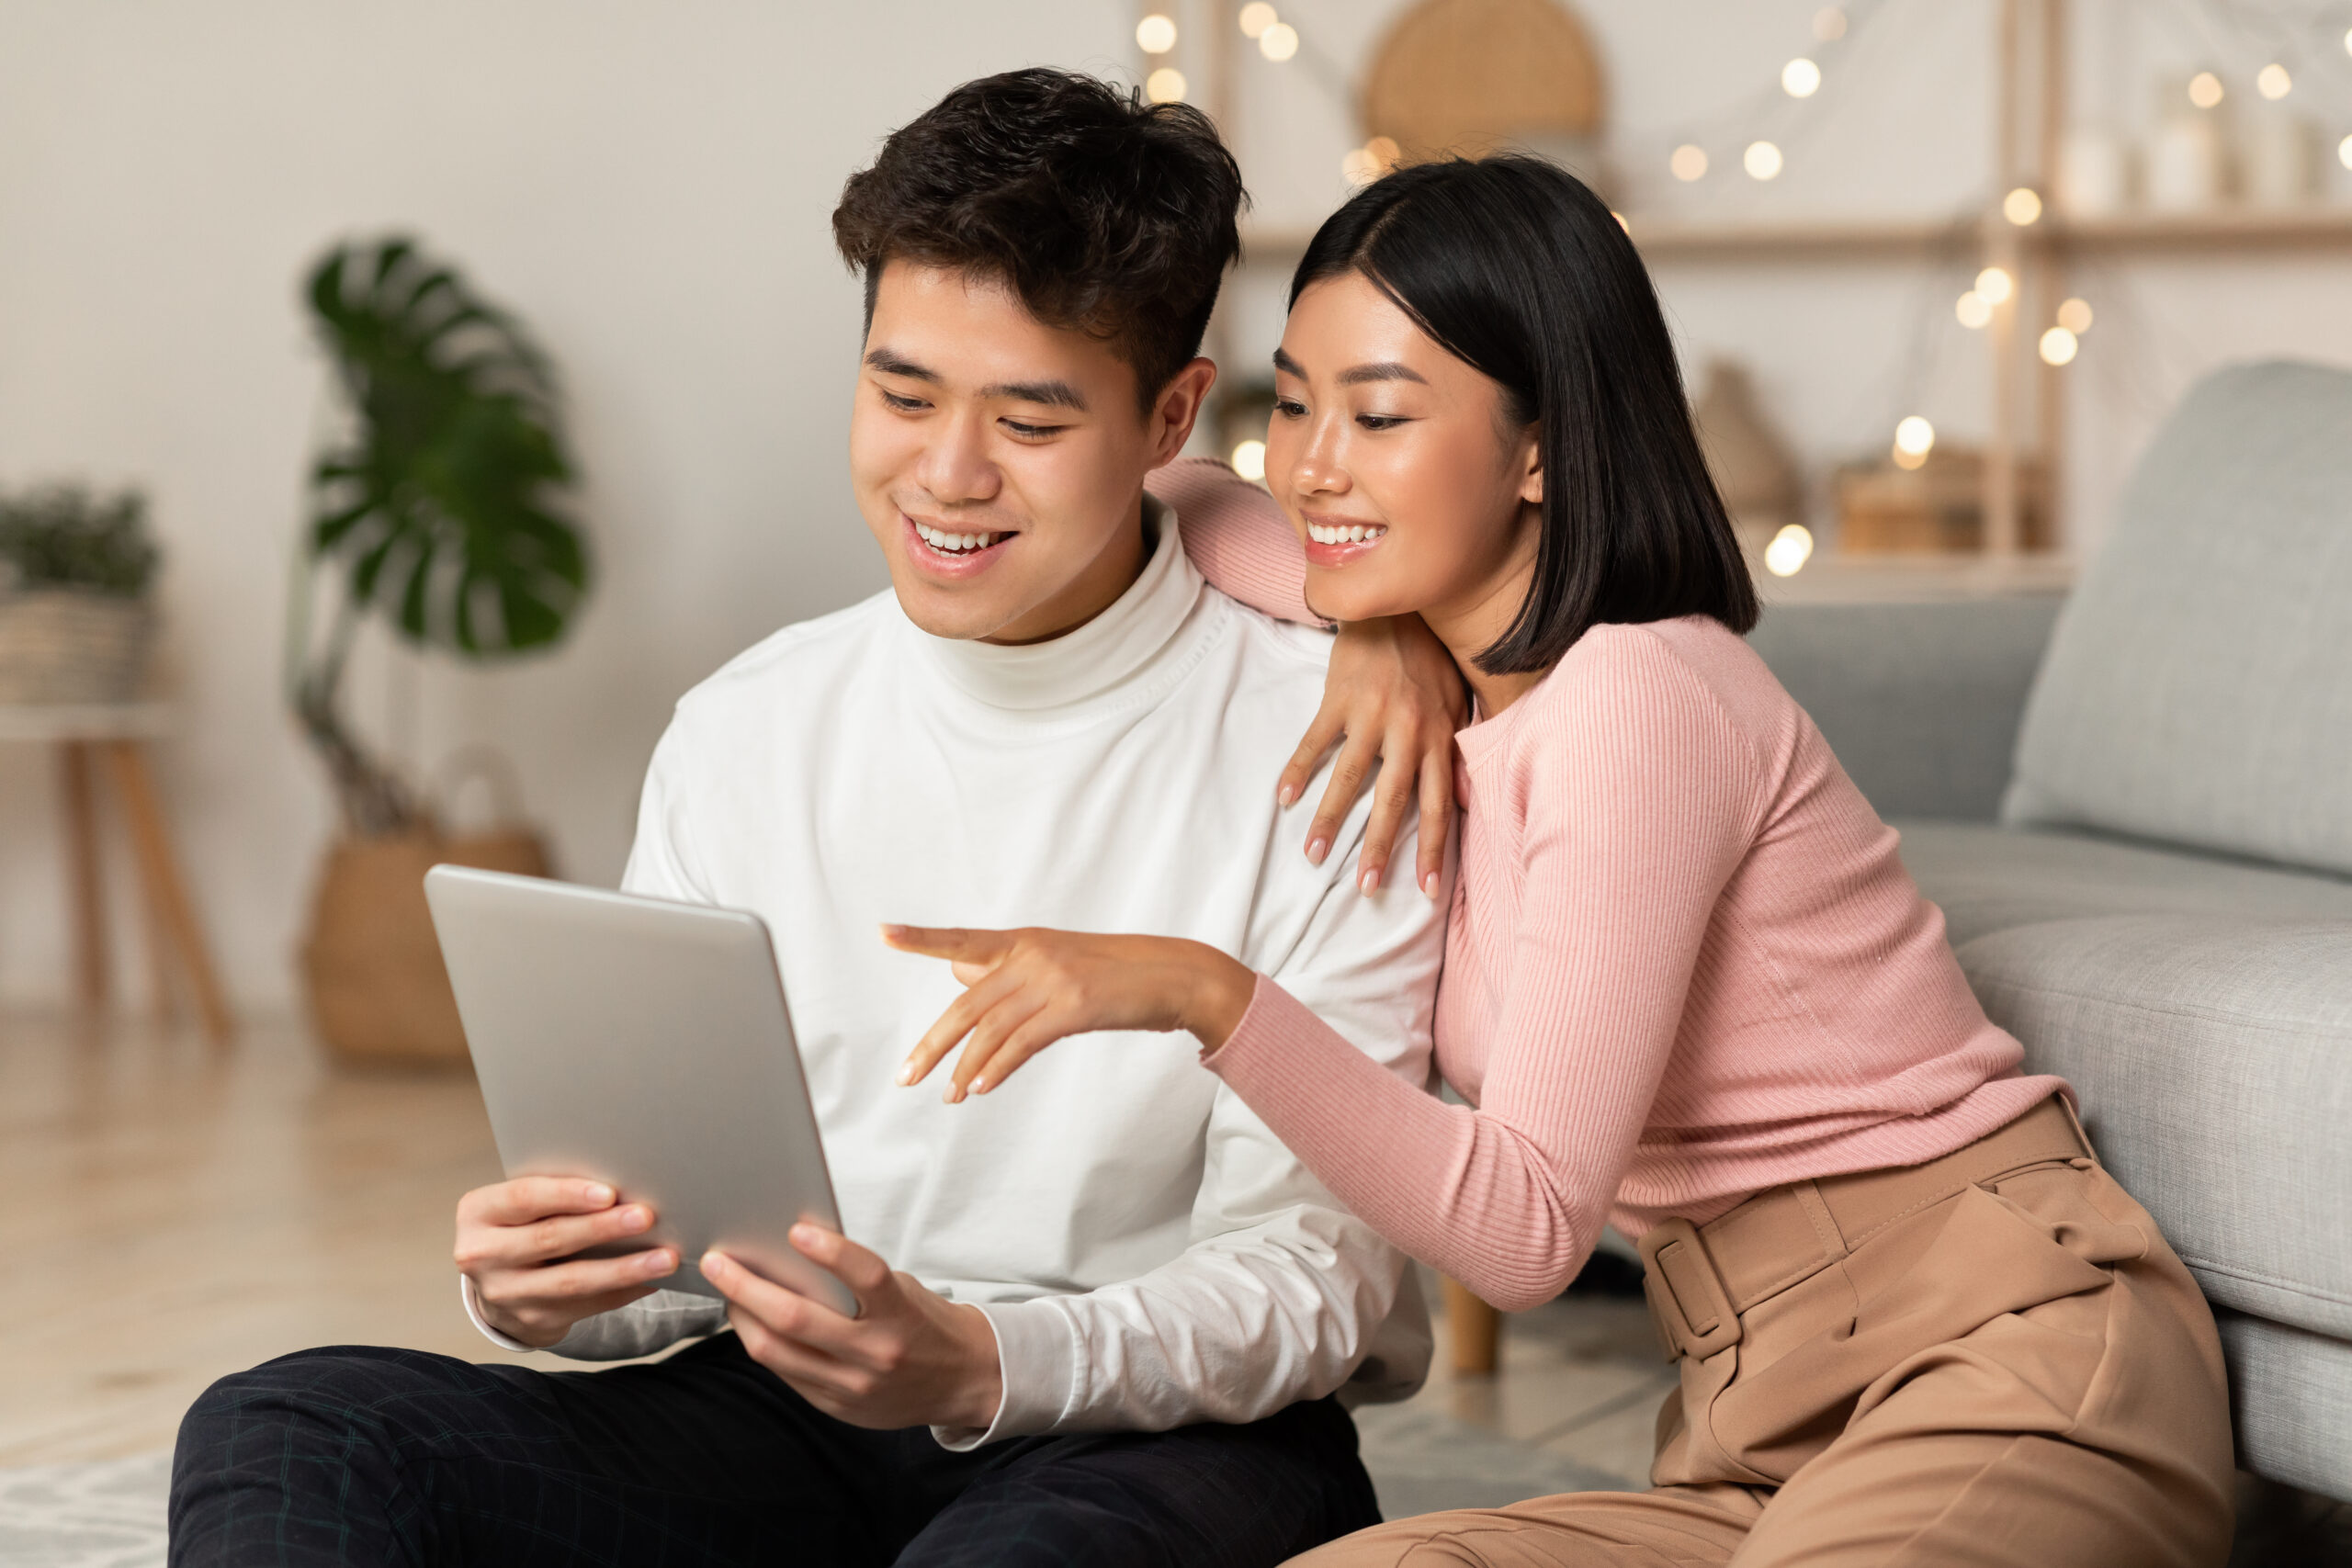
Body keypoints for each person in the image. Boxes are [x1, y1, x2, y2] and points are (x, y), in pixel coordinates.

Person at [167, 70, 1447, 1568]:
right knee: (286, 1427)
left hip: (1169, 1439)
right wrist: (560, 1283)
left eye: (1029, 419)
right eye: (903, 396)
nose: (947, 475)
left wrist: (980, 1362)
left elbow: (1311, 1277)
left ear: (1171, 413)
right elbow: (684, 1244)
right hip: (797, 1408)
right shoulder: (750, 729)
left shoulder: (1346, 739)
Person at [889, 155, 2237, 1567]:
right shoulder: (1474, 686)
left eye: (1381, 414)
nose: (1313, 462)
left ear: (1541, 448)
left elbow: (1528, 1232)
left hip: (1998, 1359)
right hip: (1752, 1430)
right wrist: (1375, 621)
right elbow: (1184, 483)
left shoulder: (1639, 698)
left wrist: (1206, 997)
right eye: (1294, 400)